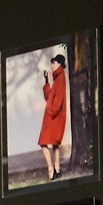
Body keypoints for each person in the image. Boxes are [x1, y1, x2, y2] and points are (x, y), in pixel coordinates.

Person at [37, 52, 68, 180]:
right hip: (55, 115)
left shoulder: (60, 78)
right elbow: (50, 97)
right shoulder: (58, 78)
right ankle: (57, 169)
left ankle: (51, 169)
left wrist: (50, 111)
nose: (52, 66)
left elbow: (57, 100)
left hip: (54, 116)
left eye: (54, 63)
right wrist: (47, 81)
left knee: (43, 142)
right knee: (54, 143)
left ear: (59, 64)